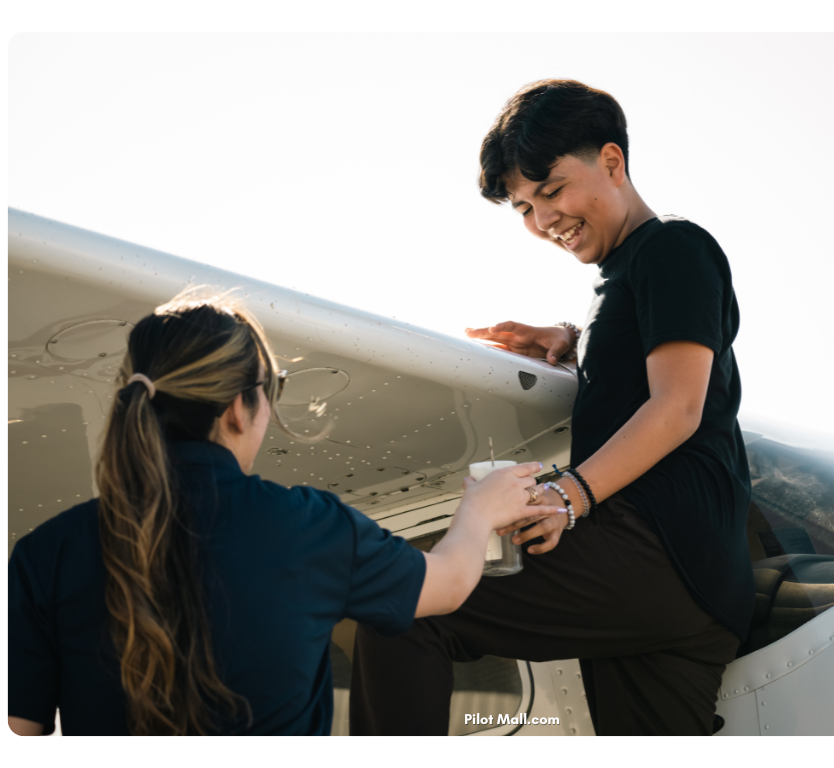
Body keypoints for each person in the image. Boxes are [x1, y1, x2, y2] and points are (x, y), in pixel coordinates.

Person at [351, 79, 755, 738]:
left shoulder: (674, 248)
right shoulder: (628, 278)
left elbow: (679, 406)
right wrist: (577, 344)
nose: (542, 221)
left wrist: (570, 494)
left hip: (661, 551)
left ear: (613, 162)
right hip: (696, 593)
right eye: (522, 207)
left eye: (552, 190)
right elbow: (649, 360)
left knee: (404, 608)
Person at [6, 289, 564, 737]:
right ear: (237, 407)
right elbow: (445, 586)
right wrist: (477, 513)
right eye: (271, 389)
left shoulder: (44, 552)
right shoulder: (309, 524)